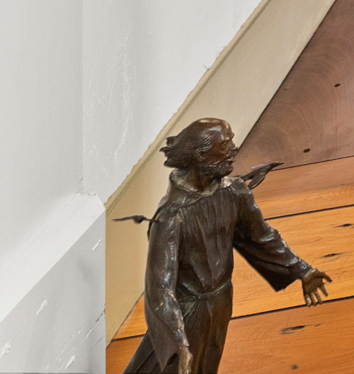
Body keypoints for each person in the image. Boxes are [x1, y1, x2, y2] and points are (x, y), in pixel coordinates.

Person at [121, 119, 330, 374]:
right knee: (161, 368)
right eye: (225, 144)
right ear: (200, 155)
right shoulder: (171, 217)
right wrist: (178, 342)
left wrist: (301, 270)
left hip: (221, 301)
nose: (234, 149)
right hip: (186, 312)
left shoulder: (234, 192)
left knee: (207, 366)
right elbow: (160, 290)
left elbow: (261, 238)